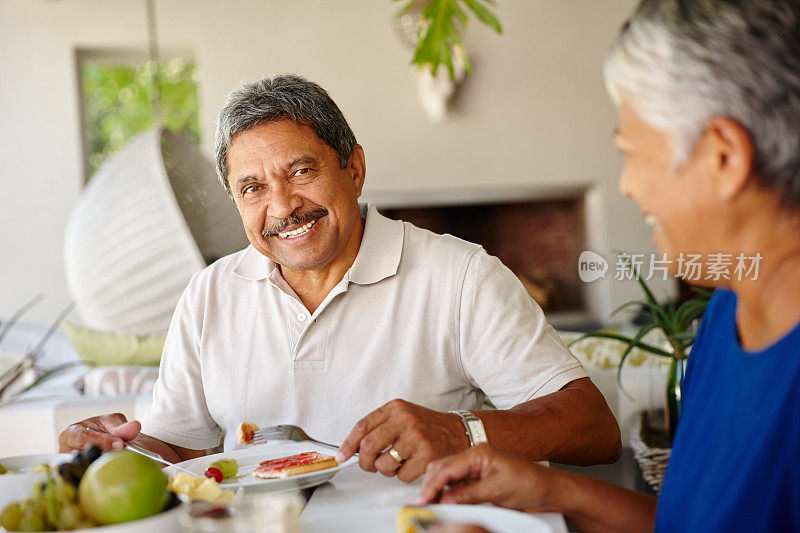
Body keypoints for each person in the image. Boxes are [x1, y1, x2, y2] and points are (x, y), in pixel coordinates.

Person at [58, 75, 621, 481]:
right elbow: (181, 453)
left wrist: (463, 430)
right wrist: (112, 450)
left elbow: (593, 429)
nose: (282, 207)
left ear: (353, 169)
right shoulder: (209, 295)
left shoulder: (461, 276)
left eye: (301, 171)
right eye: (252, 188)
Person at [419, 0, 800, 529]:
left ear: (724, 158)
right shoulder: (726, 316)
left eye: (631, 151)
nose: (626, 184)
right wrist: (551, 490)